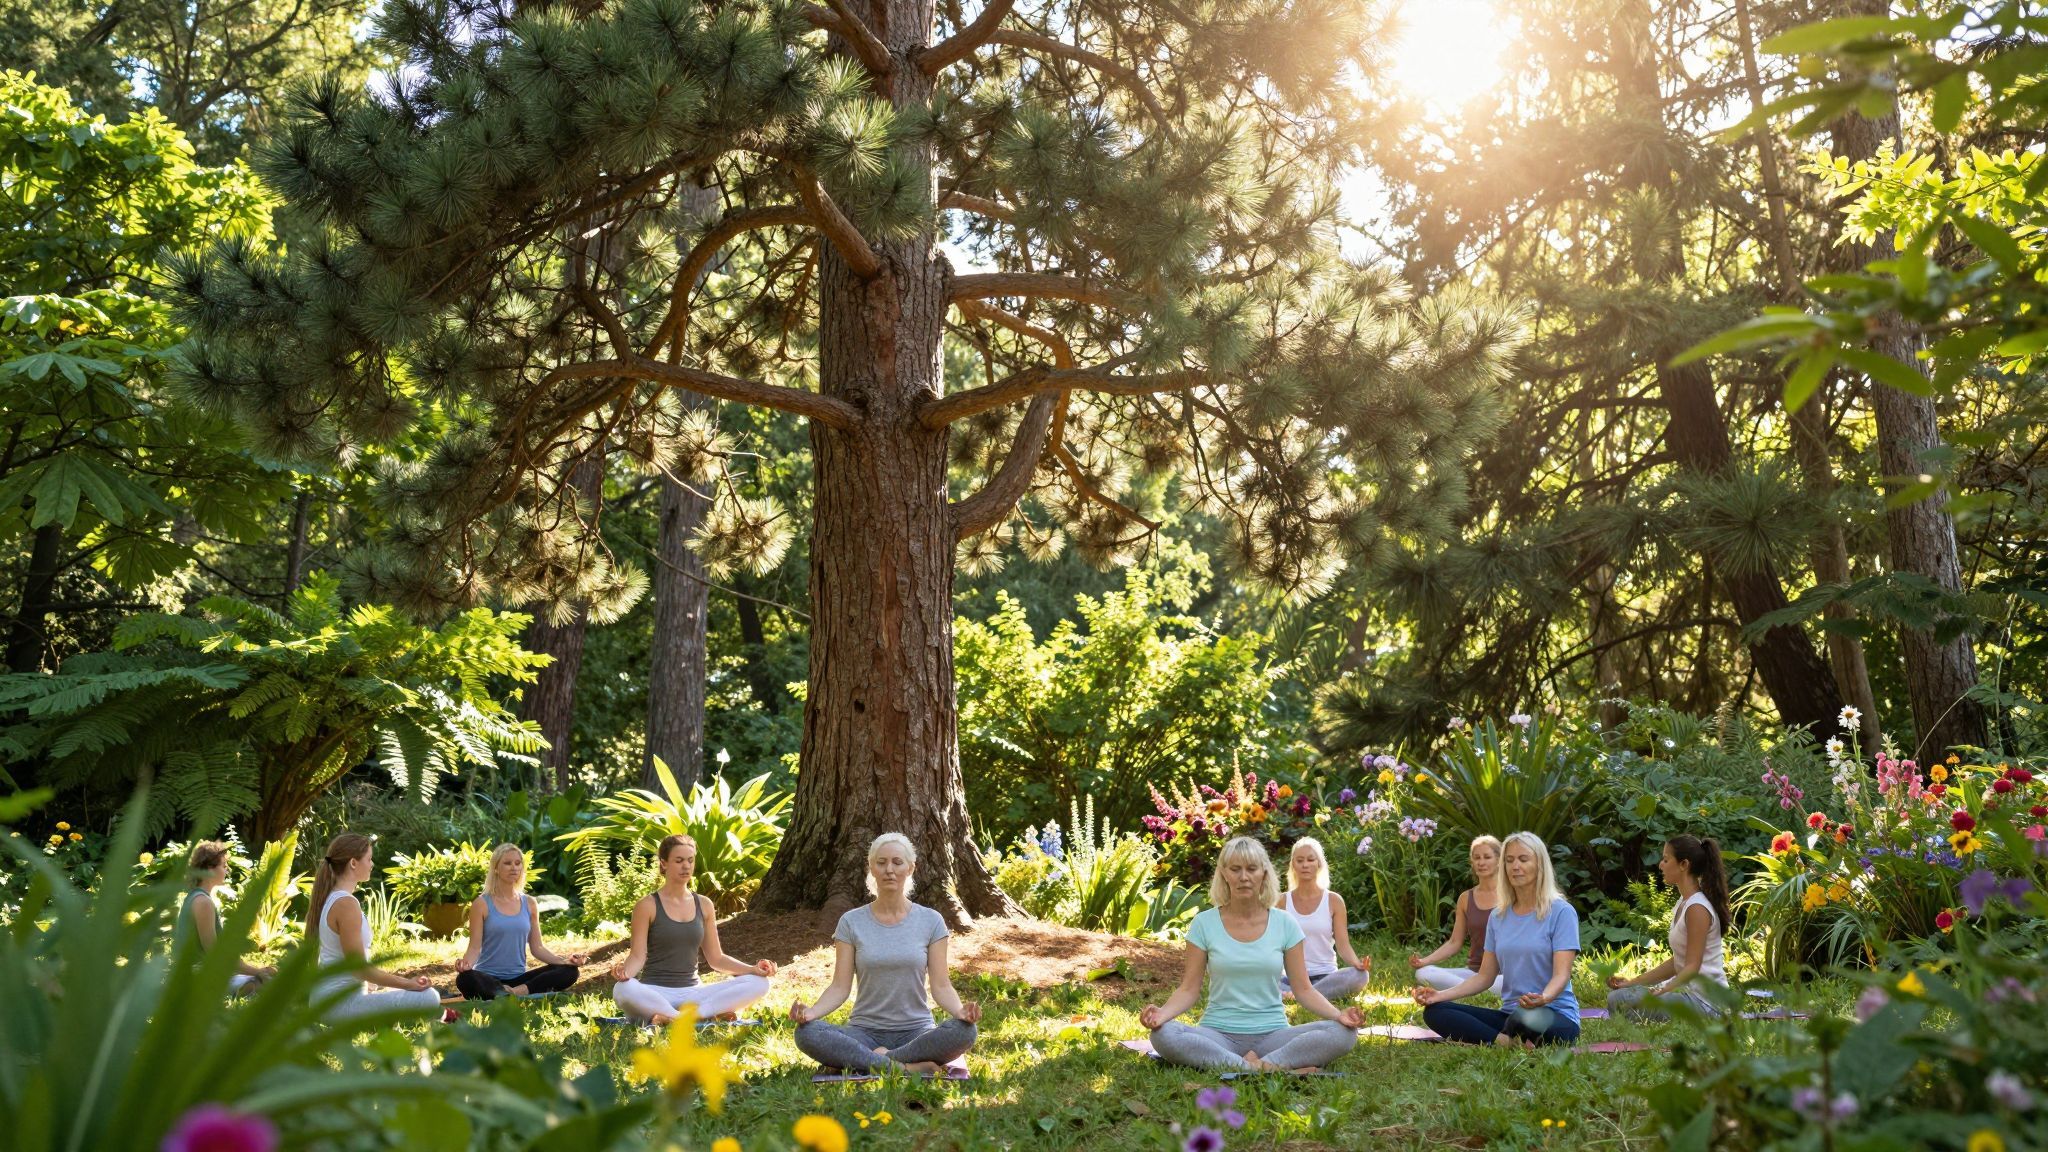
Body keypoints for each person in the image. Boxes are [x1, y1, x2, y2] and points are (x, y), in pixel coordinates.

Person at [1142, 836, 1366, 1073]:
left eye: (1251, 869)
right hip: (1218, 1035)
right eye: (1235, 869)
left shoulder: (1285, 923)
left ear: (1264, 873)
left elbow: (1304, 989)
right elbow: (1189, 989)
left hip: (1273, 1035)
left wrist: (1338, 1015)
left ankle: (1249, 1065)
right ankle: (1261, 1068)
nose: (1244, 877)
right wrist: (1161, 1014)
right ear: (1224, 874)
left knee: (1343, 1033)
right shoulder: (1203, 923)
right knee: (1163, 1034)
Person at [790, 833, 981, 1075]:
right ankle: (903, 1068)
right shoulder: (851, 922)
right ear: (871, 867)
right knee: (807, 1034)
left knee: (965, 1031)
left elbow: (941, 986)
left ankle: (877, 1061)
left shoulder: (931, 921)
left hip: (916, 1032)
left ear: (910, 868)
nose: (889, 869)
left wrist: (960, 1012)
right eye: (881, 863)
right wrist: (810, 1013)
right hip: (864, 1032)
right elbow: (839, 987)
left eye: (897, 862)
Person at [1413, 831, 1580, 1047]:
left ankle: (1501, 1039)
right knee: (1436, 1012)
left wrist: (1545, 998)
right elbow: (1484, 977)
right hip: (1511, 1017)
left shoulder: (1561, 912)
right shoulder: (1498, 916)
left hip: (1554, 1016)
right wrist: (1440, 995)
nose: (1515, 866)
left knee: (1524, 1019)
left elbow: (1562, 974)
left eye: (1523, 859)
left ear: (1539, 864)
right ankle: (1503, 1041)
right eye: (1509, 860)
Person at [611, 834, 776, 1026]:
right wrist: (625, 974)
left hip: (694, 994)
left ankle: (675, 1018)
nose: (686, 866)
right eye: (679, 861)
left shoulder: (704, 904)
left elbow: (716, 959)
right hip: (656, 993)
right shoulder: (647, 905)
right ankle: (696, 1016)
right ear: (663, 864)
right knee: (622, 989)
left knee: (759, 983)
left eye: (690, 860)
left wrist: (752, 969)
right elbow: (638, 956)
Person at [308, 832, 444, 1020]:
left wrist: (377, 986)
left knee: (413, 994)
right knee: (429, 997)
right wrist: (407, 984)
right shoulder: (346, 904)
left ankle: (442, 1016)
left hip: (332, 1000)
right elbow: (359, 969)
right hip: (337, 1004)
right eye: (369, 859)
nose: (372, 865)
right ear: (353, 863)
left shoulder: (335, 898)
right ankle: (443, 1016)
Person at [1606, 834, 1730, 1020]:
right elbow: (1677, 963)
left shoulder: (1697, 908)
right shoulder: (1685, 902)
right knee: (1621, 996)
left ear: (1684, 865)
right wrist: (1633, 983)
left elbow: (1692, 967)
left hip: (1707, 1005)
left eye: (1665, 859)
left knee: (1621, 1000)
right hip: (1691, 998)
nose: (1660, 865)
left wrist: (1663, 990)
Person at [454, 843, 588, 1000]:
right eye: (507, 863)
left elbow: (537, 948)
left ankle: (515, 993)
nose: (514, 868)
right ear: (496, 868)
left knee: (569, 972)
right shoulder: (481, 903)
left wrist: (565, 962)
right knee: (465, 979)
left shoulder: (529, 903)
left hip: (519, 981)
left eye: (518, 863)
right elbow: (474, 948)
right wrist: (465, 965)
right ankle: (501, 991)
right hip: (487, 978)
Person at [1408, 835, 1505, 996]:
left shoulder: (1512, 896)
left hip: (1504, 975)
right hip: (1475, 973)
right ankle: (1475, 989)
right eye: (1477, 858)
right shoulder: (1466, 899)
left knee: (1516, 981)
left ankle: (1471, 989)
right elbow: (1454, 942)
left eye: (1487, 857)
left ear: (1498, 860)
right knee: (1424, 973)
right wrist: (1424, 961)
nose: (1481, 862)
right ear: (1471, 862)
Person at [1277, 837, 1371, 1001]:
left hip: (1325, 977)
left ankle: (1301, 996)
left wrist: (1357, 963)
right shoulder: (1281, 901)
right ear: (1293, 865)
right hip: (1291, 979)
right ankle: (1303, 995)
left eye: (1310, 859)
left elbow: (1343, 945)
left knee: (1360, 976)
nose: (1305, 865)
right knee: (1255, 981)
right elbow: (1275, 946)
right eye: (1300, 860)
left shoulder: (1334, 901)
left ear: (1319, 864)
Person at [178, 840, 277, 995]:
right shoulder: (203, 903)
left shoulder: (197, 897)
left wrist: (256, 970)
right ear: (210, 869)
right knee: (271, 984)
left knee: (271, 975)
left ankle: (248, 985)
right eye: (224, 866)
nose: (228, 870)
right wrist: (257, 971)